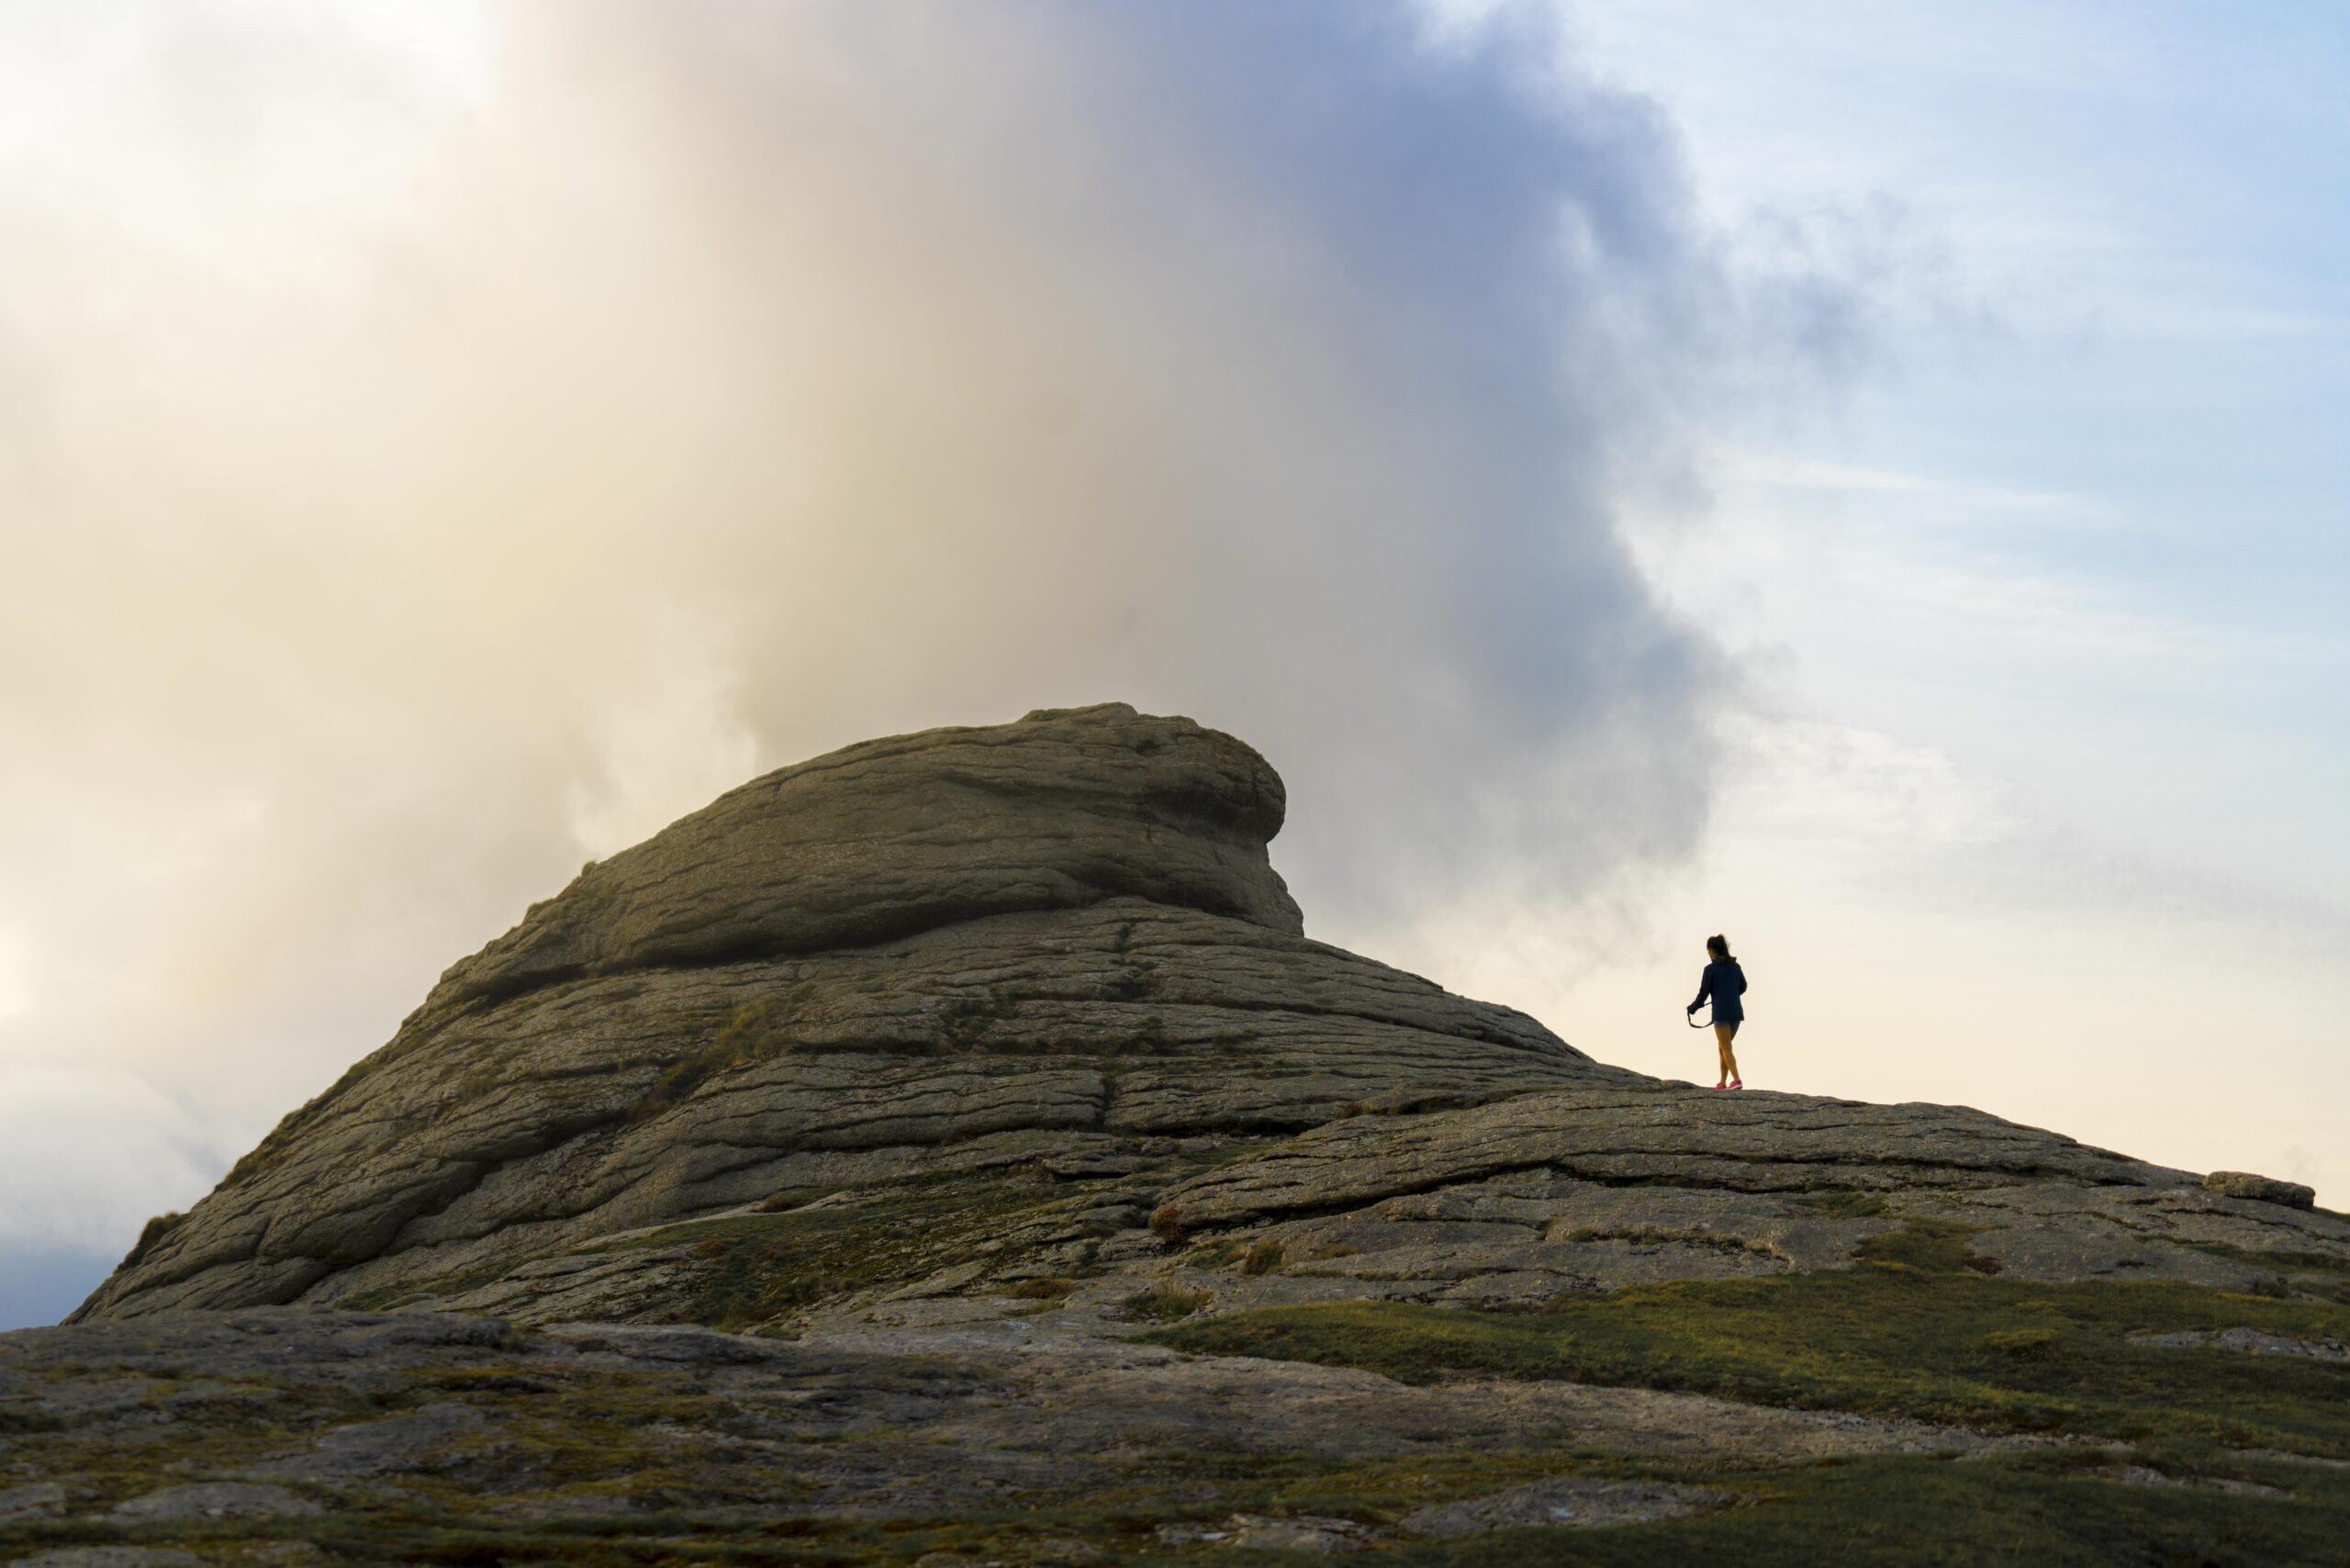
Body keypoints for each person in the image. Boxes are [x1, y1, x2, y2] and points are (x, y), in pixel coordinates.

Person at [1687, 934, 1747, 1089]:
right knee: (1723, 1046)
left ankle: (1737, 1079)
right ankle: (1722, 1082)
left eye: (1708, 950)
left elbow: (1703, 993)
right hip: (1736, 1012)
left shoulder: (1710, 969)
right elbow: (1743, 987)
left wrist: (1693, 1008)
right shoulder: (1735, 966)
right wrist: (1730, 995)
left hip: (1721, 1013)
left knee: (1726, 1047)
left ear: (1712, 950)